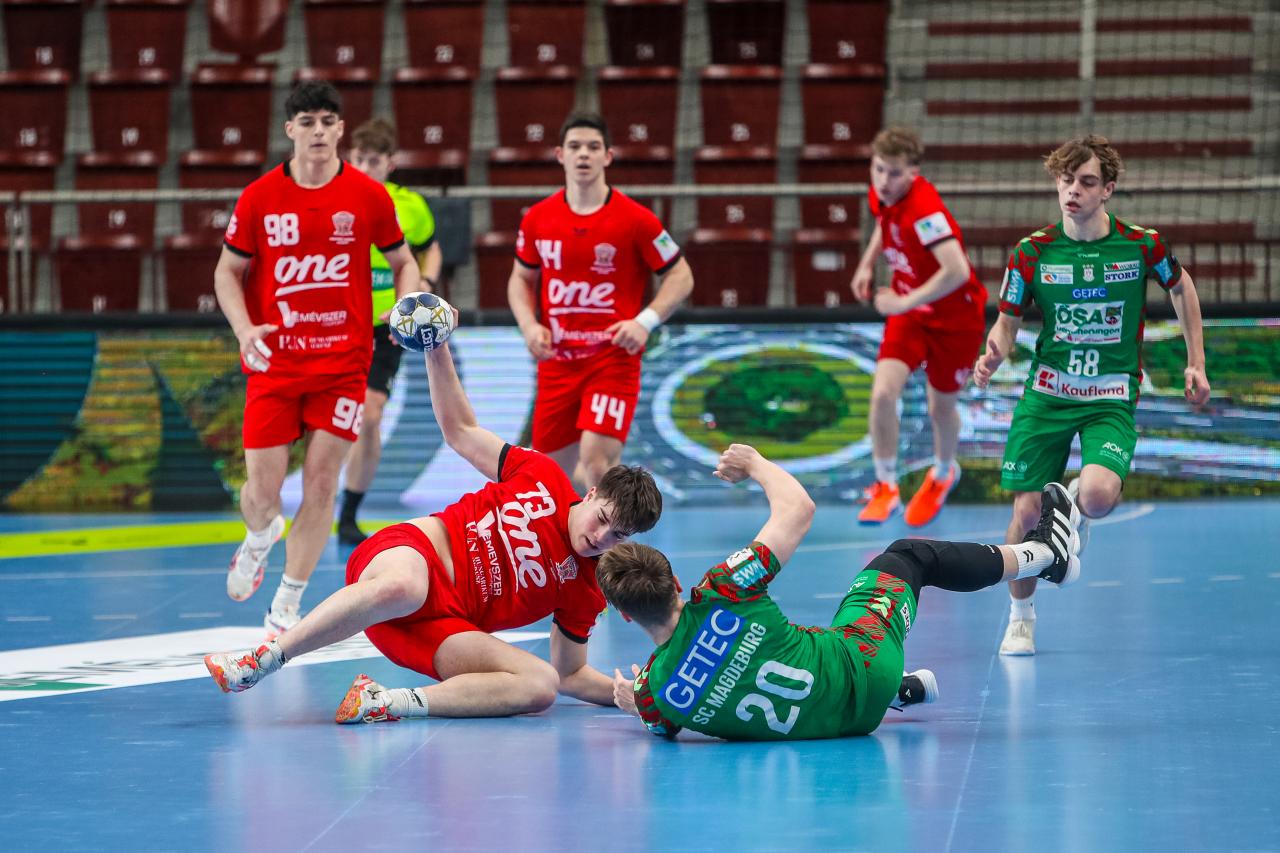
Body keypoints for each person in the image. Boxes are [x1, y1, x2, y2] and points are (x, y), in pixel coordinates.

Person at [203, 328, 665, 721]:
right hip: (406, 563)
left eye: (618, 535)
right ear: (591, 494)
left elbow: (569, 673)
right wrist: (436, 346)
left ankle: (384, 702)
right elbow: (460, 431)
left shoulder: (587, 587)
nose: (600, 538)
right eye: (603, 520)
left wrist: (634, 696)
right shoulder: (541, 474)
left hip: (436, 629)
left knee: (540, 685)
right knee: (405, 587)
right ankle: (265, 658)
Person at [598, 443, 1082, 741]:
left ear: (625, 615)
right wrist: (755, 463)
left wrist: (630, 697)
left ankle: (903, 692)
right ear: (675, 583)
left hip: (848, 723)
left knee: (794, 644)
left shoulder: (656, 692)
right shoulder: (722, 590)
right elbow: (798, 509)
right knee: (909, 556)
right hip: (865, 666)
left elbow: (657, 722)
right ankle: (1045, 553)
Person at [974, 135, 1210, 656]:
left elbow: (1181, 287)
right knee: (1026, 513)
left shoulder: (1142, 245)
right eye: (1066, 181)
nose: (1073, 191)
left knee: (1100, 498)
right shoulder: (1032, 252)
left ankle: (1072, 504)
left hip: (1110, 395)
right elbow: (1007, 322)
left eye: (1086, 182)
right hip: (1048, 395)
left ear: (1108, 189)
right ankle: (1021, 617)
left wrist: (1196, 360)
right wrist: (994, 352)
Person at [214, 81, 421, 636]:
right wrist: (243, 329)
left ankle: (287, 602)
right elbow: (227, 271)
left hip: (343, 365)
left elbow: (405, 262)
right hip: (275, 365)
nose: (319, 131)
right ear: (291, 130)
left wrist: (404, 303)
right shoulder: (259, 197)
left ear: (340, 130)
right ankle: (260, 534)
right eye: (307, 122)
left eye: (328, 121)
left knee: (322, 483)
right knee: (261, 494)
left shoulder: (367, 196)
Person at [508, 112, 694, 491]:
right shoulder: (538, 219)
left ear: (607, 156)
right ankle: (590, 526)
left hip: (612, 360)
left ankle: (613, 532)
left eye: (593, 147)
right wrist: (529, 325)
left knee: (596, 461)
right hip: (557, 363)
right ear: (560, 155)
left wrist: (645, 321)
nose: (583, 154)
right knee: (548, 479)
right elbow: (520, 278)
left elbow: (681, 275)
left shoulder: (637, 220)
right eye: (575, 146)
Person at [849, 126, 987, 527]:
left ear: (913, 173)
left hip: (954, 320)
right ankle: (886, 485)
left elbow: (957, 271)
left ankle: (943, 473)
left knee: (939, 408)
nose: (883, 180)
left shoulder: (926, 213)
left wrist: (903, 301)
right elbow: (883, 223)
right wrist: (866, 264)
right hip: (910, 315)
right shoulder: (883, 193)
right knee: (882, 394)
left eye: (894, 173)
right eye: (878, 169)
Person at [338, 117, 445, 546]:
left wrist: (425, 285)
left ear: (390, 163)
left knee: (370, 416)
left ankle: (348, 514)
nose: (365, 168)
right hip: (338, 321)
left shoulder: (410, 206)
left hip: (385, 326)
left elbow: (430, 248)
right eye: (359, 159)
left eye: (374, 160)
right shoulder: (335, 198)